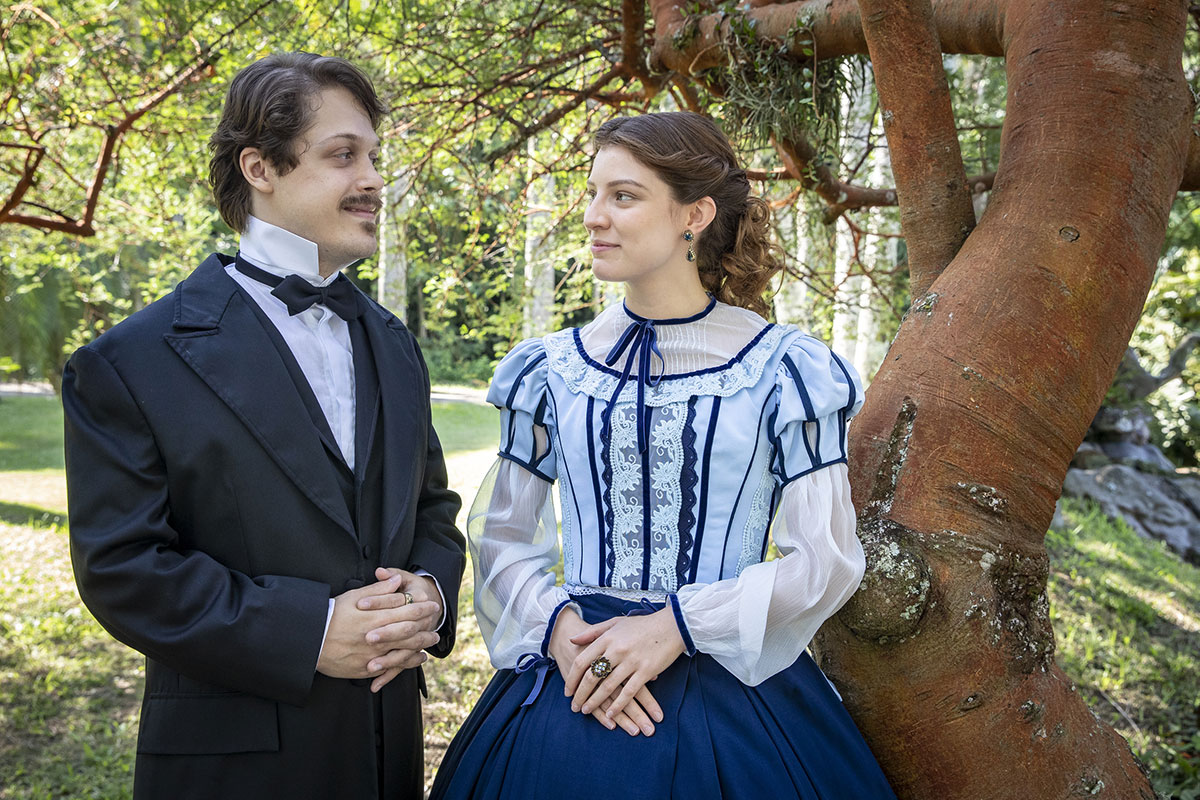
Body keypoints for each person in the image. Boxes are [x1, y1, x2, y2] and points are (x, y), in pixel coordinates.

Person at [430, 111, 895, 799]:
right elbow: (500, 538)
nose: (593, 216)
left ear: (695, 214)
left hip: (731, 692)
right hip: (573, 676)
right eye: (591, 193)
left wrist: (676, 626)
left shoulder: (786, 371)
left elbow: (826, 560)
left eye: (623, 196)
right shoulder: (550, 370)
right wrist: (561, 633)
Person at [62, 52, 466, 799]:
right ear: (260, 167)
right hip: (234, 767)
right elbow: (122, 568)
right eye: (344, 155)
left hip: (387, 759)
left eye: (374, 156)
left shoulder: (394, 342)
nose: (375, 179)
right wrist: (308, 630)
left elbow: (433, 511)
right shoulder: (128, 362)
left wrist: (430, 595)